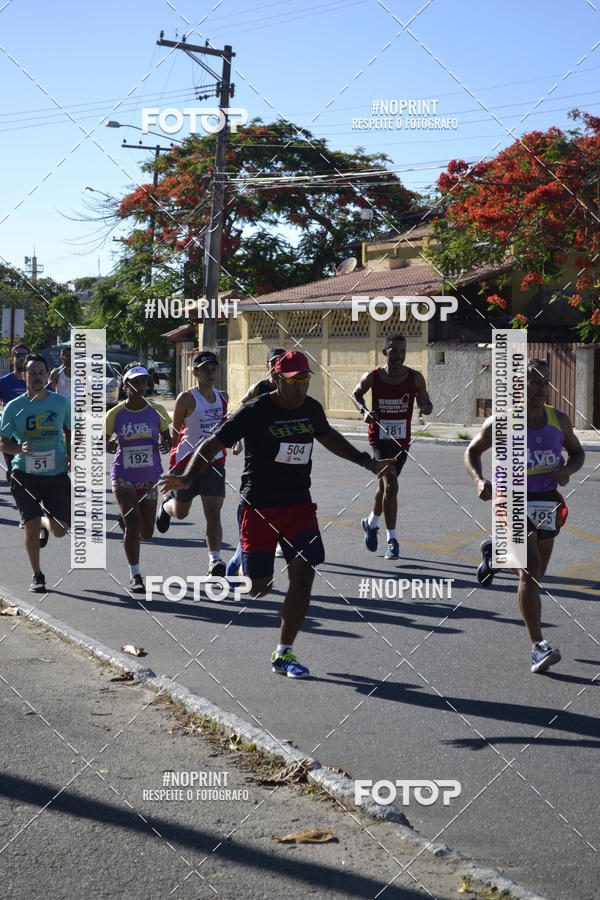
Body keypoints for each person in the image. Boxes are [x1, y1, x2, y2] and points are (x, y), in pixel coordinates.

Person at [160, 350, 395, 679]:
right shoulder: (255, 410)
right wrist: (187, 476)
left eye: (305, 380)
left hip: (298, 504)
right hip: (259, 507)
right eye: (293, 380)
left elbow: (329, 438)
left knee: (305, 570)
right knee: (260, 588)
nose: (301, 387)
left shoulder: (311, 409)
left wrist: (369, 463)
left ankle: (284, 652)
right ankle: (241, 558)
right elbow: (213, 443)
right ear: (276, 380)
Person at [464, 358, 585, 673]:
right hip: (512, 500)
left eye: (544, 382)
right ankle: (537, 647)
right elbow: (472, 452)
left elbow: (578, 452)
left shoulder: (559, 421)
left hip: (547, 500)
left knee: (534, 575)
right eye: (533, 381)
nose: (540, 388)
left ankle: (494, 555)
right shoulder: (500, 423)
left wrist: (567, 470)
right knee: (530, 572)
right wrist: (479, 480)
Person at [352, 333, 433, 560]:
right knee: (392, 483)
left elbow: (426, 403)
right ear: (385, 352)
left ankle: (370, 523)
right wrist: (364, 411)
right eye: (394, 351)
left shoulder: (415, 378)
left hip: (401, 442)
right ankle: (392, 540)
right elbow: (356, 393)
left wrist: (426, 407)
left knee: (384, 487)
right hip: (379, 439)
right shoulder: (373, 377)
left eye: (403, 352)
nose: (399, 356)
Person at [0, 354, 71, 593]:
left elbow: (71, 429)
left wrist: (71, 453)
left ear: (47, 375)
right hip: (24, 472)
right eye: (32, 373)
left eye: (41, 373)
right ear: (23, 376)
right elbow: (3, 442)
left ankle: (43, 520)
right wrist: (19, 448)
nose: (37, 377)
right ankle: (37, 575)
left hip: (56, 473)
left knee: (60, 529)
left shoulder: (60, 403)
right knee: (30, 526)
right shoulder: (14, 407)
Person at [155, 350, 229, 577]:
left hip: (214, 462)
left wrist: (234, 443)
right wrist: (167, 443)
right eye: (205, 369)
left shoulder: (223, 397)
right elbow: (176, 433)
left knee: (214, 511)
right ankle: (167, 506)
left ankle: (214, 561)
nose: (210, 372)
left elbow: (225, 429)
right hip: (186, 463)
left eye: (213, 368)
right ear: (195, 372)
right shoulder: (186, 398)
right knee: (181, 513)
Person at [105, 364, 171, 593]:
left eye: (144, 381)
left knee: (147, 532)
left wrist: (166, 443)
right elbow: (102, 441)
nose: (140, 385)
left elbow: (167, 439)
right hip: (123, 475)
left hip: (149, 477)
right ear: (126, 386)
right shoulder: (115, 414)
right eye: (135, 381)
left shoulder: (158, 410)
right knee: (133, 524)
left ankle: (131, 518)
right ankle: (135, 575)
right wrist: (108, 444)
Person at [227, 347, 287, 574]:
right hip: (259, 450)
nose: (277, 367)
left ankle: (269, 543)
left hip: (283, 455)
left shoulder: (292, 390)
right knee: (254, 501)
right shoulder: (260, 389)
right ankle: (241, 553)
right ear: (268, 366)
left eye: (281, 362)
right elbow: (242, 411)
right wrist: (237, 439)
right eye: (274, 363)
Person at [0, 343, 30, 487]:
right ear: (12, 359)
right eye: (18, 355)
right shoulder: (3, 382)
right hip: (10, 433)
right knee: (14, 469)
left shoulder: (37, 380)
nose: (22, 358)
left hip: (33, 431)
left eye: (25, 355)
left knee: (32, 470)